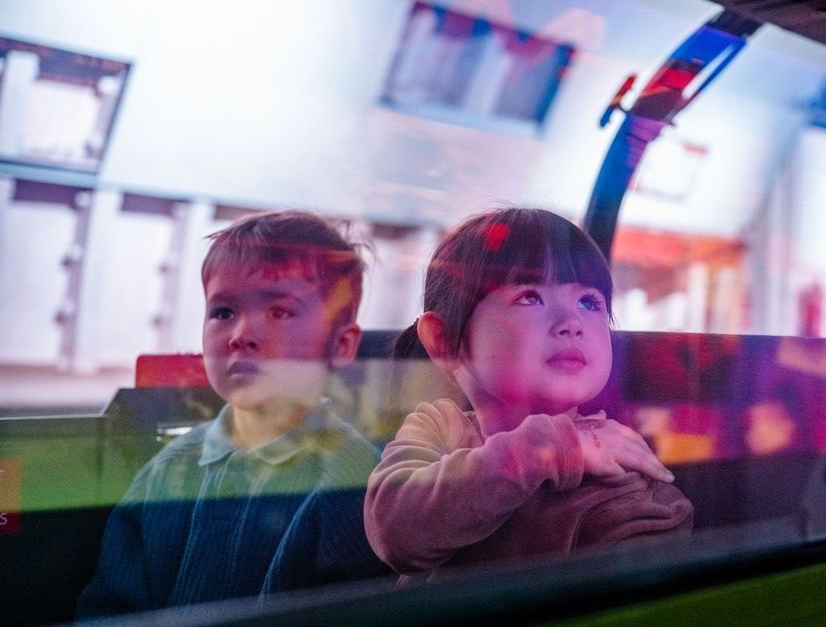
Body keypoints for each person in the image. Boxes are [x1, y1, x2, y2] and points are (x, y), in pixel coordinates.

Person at [78, 210, 387, 617]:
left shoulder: (354, 478)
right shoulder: (166, 472)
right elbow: (113, 608)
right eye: (223, 312)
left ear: (342, 345)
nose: (241, 335)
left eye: (279, 312)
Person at [365, 207, 693, 577]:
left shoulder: (617, 466)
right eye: (530, 297)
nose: (572, 324)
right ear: (443, 340)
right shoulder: (440, 427)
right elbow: (396, 532)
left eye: (590, 302)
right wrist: (550, 449)